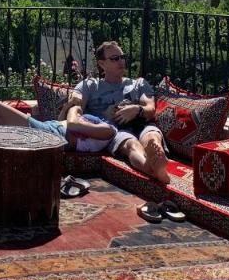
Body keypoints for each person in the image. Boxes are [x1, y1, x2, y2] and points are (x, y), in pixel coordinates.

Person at [66, 41, 170, 182]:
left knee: (152, 135)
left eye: (122, 57)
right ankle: (153, 169)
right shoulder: (90, 85)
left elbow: (150, 109)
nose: (121, 61)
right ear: (102, 64)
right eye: (115, 58)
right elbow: (76, 105)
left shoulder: (139, 84)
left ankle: (155, 153)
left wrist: (136, 109)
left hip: (141, 122)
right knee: (131, 145)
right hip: (115, 130)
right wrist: (102, 113)